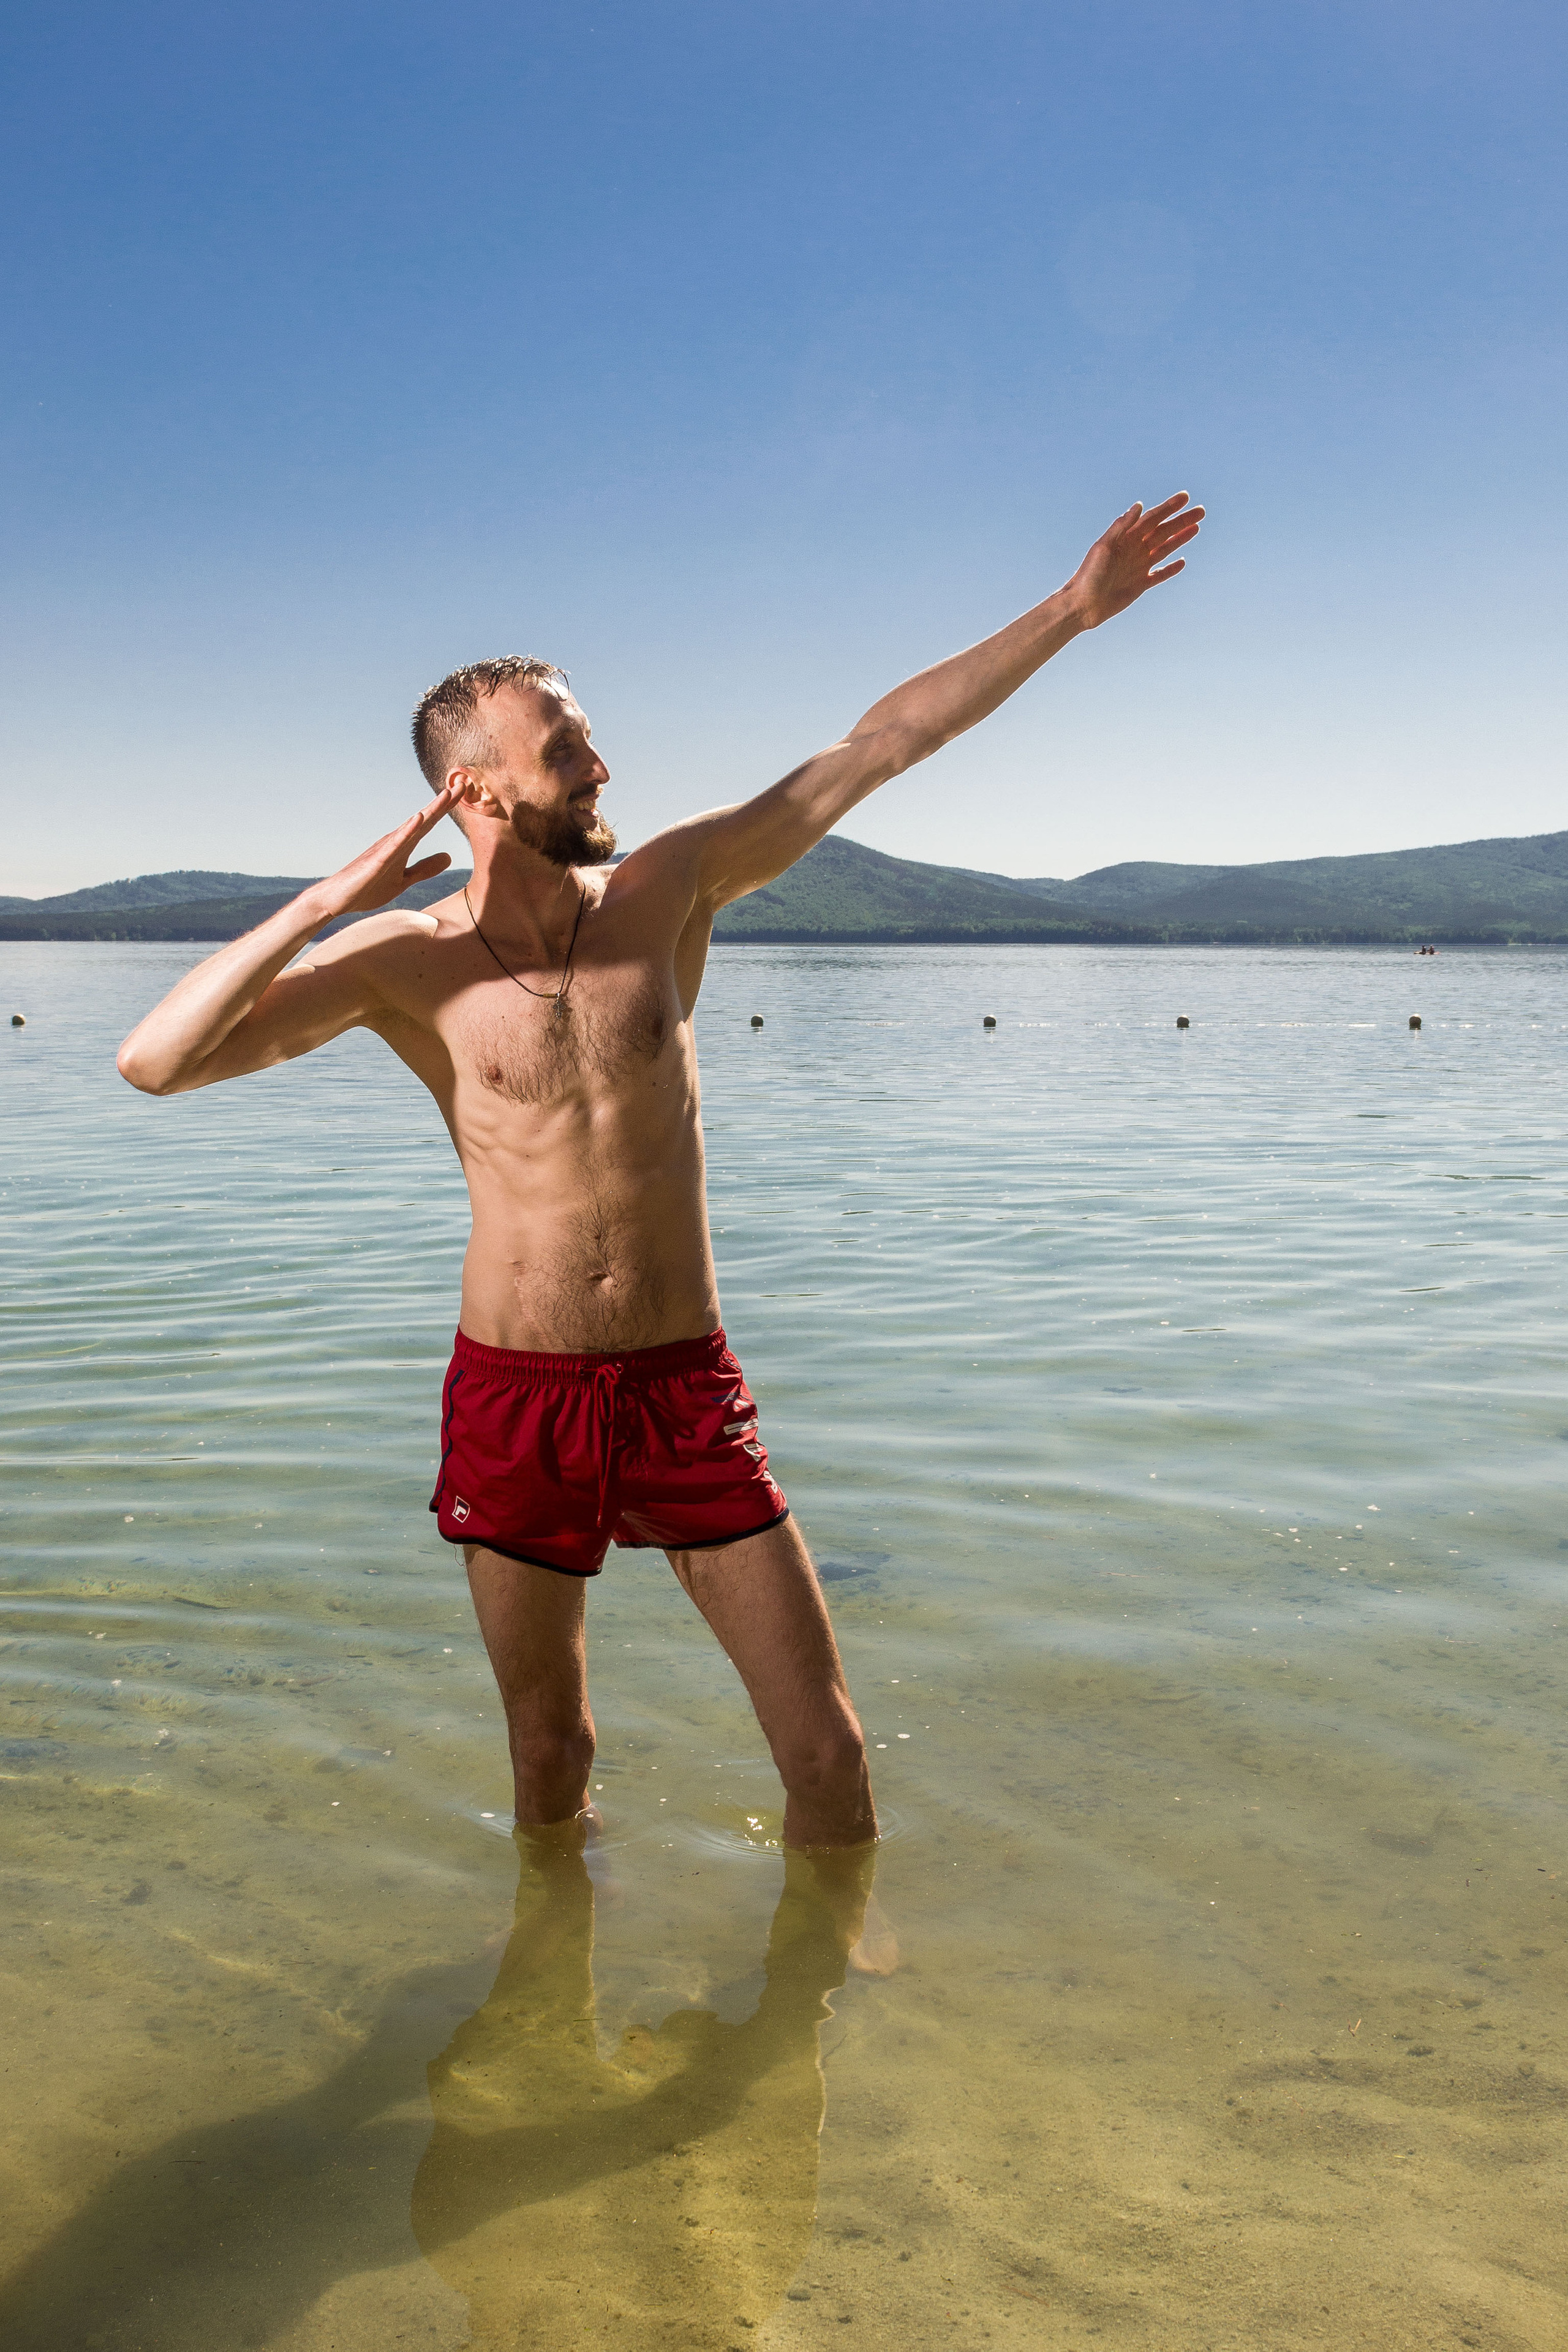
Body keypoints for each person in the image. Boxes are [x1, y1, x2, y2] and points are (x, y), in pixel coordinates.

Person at [118, 492, 1202, 1852]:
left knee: (826, 1751)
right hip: (515, 1392)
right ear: (474, 790)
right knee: (549, 1748)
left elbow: (875, 749)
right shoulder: (396, 963)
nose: (602, 768)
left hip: (683, 1382)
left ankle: (821, 1995)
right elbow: (154, 1065)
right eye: (566, 747)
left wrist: (1069, 610)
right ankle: (550, 1986)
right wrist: (329, 902)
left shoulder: (668, 887)